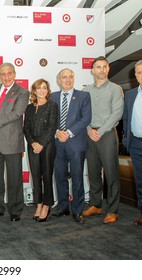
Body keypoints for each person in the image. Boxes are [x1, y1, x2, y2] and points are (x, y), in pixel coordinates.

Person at [0, 62, 29, 222]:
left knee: (14, 178)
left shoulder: (22, 92)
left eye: (9, 73)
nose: (6, 77)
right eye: (3, 74)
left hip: (12, 141)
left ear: (14, 74)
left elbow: (17, 113)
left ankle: (15, 211)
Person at [82, 56, 124, 224]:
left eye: (104, 67)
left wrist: (100, 130)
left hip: (106, 134)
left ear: (108, 69)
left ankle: (113, 210)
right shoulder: (86, 91)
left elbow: (117, 113)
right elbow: (82, 114)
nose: (101, 70)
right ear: (92, 70)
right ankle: (96, 204)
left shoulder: (115, 89)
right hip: (90, 134)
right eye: (97, 67)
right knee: (93, 172)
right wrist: (88, 130)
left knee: (111, 173)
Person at [50, 69, 92, 224]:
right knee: (59, 176)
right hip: (57, 143)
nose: (68, 80)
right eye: (64, 77)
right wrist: (56, 132)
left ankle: (78, 210)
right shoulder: (52, 97)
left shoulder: (83, 96)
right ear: (59, 80)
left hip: (76, 143)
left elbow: (86, 118)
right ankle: (63, 207)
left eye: (70, 77)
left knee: (77, 177)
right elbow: (49, 119)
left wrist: (68, 132)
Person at [23, 79, 58, 222]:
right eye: (39, 88)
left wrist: (41, 144)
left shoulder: (52, 105)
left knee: (47, 176)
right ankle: (38, 204)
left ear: (48, 90)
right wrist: (33, 143)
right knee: (36, 176)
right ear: (34, 90)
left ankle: (47, 205)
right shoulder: (29, 108)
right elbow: (26, 128)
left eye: (45, 87)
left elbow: (52, 127)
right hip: (32, 145)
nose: (42, 90)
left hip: (48, 145)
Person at [122, 60, 142, 226]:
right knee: (140, 181)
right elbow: (126, 119)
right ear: (135, 75)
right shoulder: (130, 94)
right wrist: (127, 141)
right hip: (136, 144)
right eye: (139, 72)